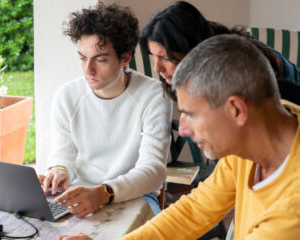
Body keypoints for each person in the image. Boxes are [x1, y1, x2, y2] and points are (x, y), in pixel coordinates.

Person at [60, 34, 300, 240]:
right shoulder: (257, 134)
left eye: (191, 114)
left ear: (236, 110)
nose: (182, 129)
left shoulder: (293, 208)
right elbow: (195, 210)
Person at [40, 3, 172, 219]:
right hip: (80, 193)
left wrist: (104, 193)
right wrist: (59, 170)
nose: (88, 70)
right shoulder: (67, 96)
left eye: (100, 59)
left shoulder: (153, 95)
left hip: (136, 197)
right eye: (83, 58)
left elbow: (154, 171)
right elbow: (63, 156)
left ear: (125, 58)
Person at [140, 1, 300, 102]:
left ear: (190, 49)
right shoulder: (198, 74)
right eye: (153, 56)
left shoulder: (237, 67)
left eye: (165, 57)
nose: (156, 68)